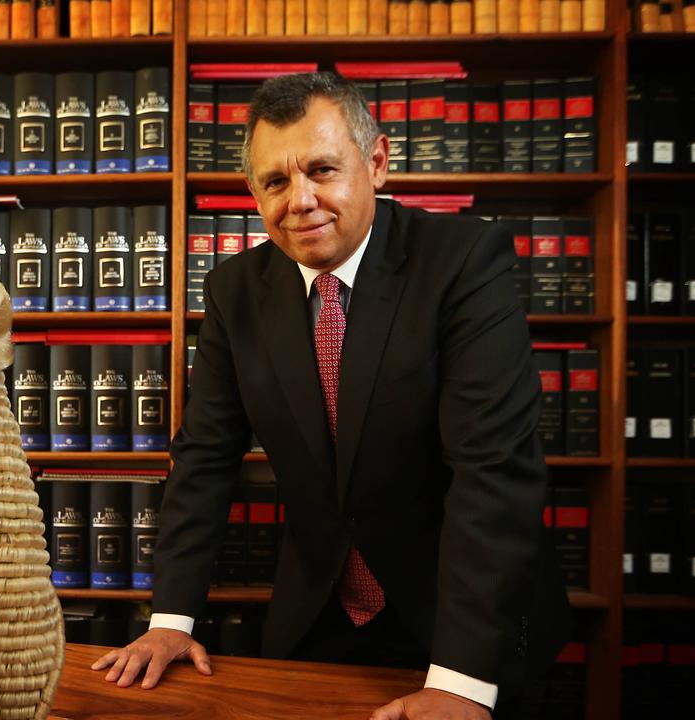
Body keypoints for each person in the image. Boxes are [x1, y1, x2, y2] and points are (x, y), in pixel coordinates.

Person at [91, 72, 571, 719]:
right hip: (318, 609)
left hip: (466, 620)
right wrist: (173, 618)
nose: (302, 200)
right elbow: (204, 457)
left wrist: (459, 682)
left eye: (322, 170)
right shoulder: (236, 290)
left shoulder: (463, 261)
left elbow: (494, 472)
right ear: (253, 192)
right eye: (276, 182)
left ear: (376, 163)